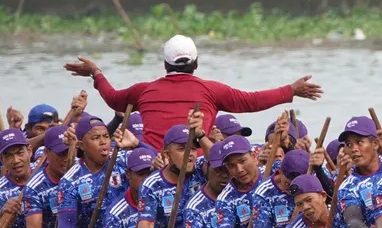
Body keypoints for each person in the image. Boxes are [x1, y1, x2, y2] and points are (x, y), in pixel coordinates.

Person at [64, 35, 323, 152]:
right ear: (196, 64)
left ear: (165, 66)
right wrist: (291, 90)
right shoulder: (210, 90)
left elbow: (112, 98)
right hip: (195, 165)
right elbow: (251, 101)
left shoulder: (143, 91)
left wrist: (96, 73)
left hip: (152, 164)